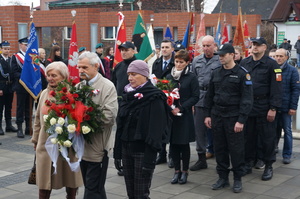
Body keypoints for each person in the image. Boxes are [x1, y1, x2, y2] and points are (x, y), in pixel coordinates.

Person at [113, 60, 170, 198]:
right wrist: (117, 153)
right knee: (131, 192)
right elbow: (120, 126)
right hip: (127, 148)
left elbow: (155, 131)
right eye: (129, 75)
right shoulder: (127, 95)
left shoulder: (154, 97)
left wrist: (149, 161)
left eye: (134, 74)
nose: (130, 78)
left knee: (141, 193)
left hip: (142, 151)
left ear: (145, 75)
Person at [204, 43, 253, 193]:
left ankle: (237, 179)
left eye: (223, 55)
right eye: (219, 55)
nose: (220, 58)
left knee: (236, 150)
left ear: (232, 55)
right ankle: (222, 178)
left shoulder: (242, 74)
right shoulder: (216, 73)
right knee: (220, 149)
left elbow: (247, 99)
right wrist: (207, 115)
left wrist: (241, 120)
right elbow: (209, 95)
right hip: (217, 116)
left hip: (234, 118)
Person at [31, 61, 83, 199]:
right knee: (44, 182)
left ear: (63, 76)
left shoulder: (71, 93)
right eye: (48, 75)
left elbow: (78, 118)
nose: (50, 78)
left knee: (70, 179)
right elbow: (37, 120)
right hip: (45, 144)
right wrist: (35, 139)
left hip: (66, 144)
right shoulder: (44, 93)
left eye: (54, 75)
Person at [77, 51, 118, 198]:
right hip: (81, 146)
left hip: (98, 147)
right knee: (94, 187)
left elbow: (109, 116)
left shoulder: (107, 86)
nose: (81, 70)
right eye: (79, 67)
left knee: (92, 189)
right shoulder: (78, 87)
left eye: (85, 67)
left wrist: (84, 121)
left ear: (96, 66)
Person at [240, 37, 282, 181]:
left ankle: (269, 165)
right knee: (248, 137)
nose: (254, 47)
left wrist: (273, 108)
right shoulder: (244, 63)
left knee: (267, 138)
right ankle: (248, 162)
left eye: (257, 45)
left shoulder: (272, 65)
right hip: (248, 106)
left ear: (264, 47)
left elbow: (277, 88)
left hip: (264, 106)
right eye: (253, 45)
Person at [166, 50, 199, 184]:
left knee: (183, 144)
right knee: (173, 144)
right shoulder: (169, 76)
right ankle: (176, 171)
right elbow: (165, 93)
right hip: (172, 116)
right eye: (176, 61)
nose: (178, 64)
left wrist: (182, 107)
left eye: (181, 62)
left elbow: (195, 96)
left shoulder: (191, 77)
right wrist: (170, 106)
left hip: (184, 115)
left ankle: (185, 171)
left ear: (187, 63)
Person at [190, 35, 221, 171]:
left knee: (218, 130)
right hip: (200, 99)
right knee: (199, 131)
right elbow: (192, 80)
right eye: (204, 45)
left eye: (209, 45)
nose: (206, 48)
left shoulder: (220, 60)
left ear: (214, 45)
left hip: (215, 100)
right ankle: (201, 158)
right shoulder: (196, 60)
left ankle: (221, 158)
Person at [112, 41, 137, 176]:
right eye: (122, 50)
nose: (124, 52)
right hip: (120, 105)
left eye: (127, 50)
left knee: (132, 134)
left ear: (133, 51)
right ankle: (120, 160)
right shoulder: (119, 66)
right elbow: (114, 84)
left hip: (135, 106)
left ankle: (133, 162)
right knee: (120, 133)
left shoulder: (138, 66)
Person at [152, 39, 175, 167]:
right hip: (159, 98)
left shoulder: (175, 63)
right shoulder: (157, 62)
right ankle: (161, 154)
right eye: (162, 47)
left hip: (172, 98)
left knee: (171, 128)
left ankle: (172, 155)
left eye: (167, 47)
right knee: (160, 128)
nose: (164, 49)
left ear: (172, 49)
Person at [275, 48, 300, 164]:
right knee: (274, 131)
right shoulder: (272, 69)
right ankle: (273, 150)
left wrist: (293, 107)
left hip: (286, 107)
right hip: (274, 107)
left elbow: (295, 90)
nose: (278, 58)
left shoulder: (292, 71)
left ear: (286, 57)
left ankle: (287, 154)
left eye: (281, 56)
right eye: (276, 56)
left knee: (287, 131)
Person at [11, 37, 32, 138]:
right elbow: (14, 72)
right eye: (25, 45)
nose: (27, 46)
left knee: (29, 107)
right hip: (21, 86)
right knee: (20, 107)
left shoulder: (31, 56)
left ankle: (28, 127)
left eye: (28, 44)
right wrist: (25, 76)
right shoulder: (16, 57)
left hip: (30, 86)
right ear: (20, 45)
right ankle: (20, 128)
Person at [0, 41, 17, 135]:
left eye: (8, 49)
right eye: (5, 49)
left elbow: (13, 74)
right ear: (1, 49)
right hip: (1, 86)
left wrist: (13, 86)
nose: (7, 51)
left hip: (9, 86)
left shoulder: (11, 60)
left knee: (8, 107)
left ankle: (8, 125)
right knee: (0, 108)